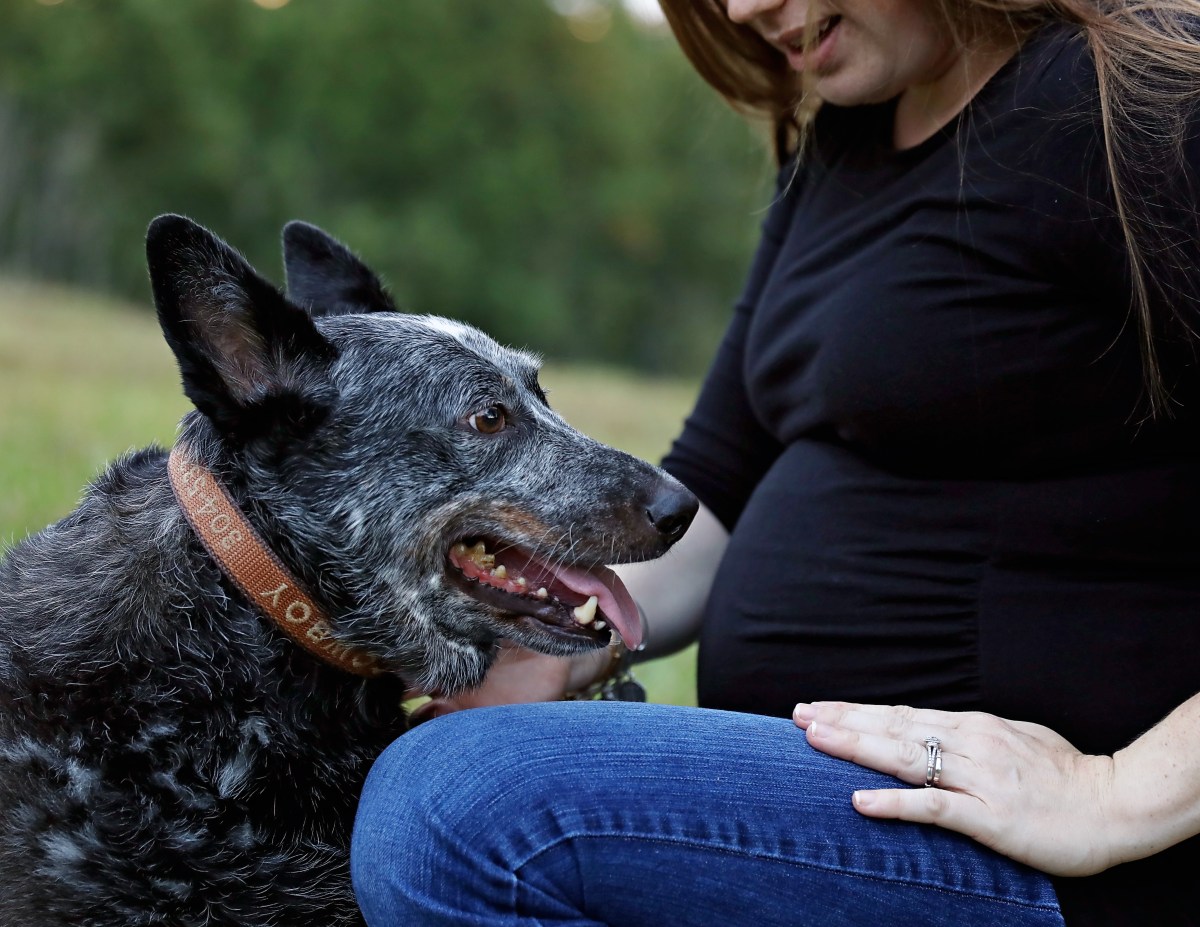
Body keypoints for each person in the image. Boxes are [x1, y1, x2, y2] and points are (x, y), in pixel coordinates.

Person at [350, 0, 1200, 923]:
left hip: (1055, 866)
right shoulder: (842, 145)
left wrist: (1115, 795)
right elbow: (717, 485)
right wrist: (554, 636)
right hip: (852, 803)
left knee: (460, 806)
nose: (745, 8)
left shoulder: (1143, 94)